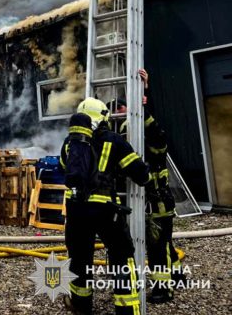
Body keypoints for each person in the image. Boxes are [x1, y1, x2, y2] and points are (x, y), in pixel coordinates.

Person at [61, 97, 150, 315]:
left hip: (76, 209)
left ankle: (81, 306)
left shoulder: (70, 142)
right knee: (122, 257)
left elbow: (65, 167)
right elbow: (140, 174)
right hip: (106, 210)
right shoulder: (114, 140)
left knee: (79, 259)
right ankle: (127, 309)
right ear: (103, 117)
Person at [108, 69, 182, 304]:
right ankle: (177, 275)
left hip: (157, 202)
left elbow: (151, 127)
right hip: (142, 201)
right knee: (163, 243)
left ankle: (163, 289)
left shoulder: (154, 143)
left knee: (158, 246)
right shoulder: (125, 144)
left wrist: (144, 99)